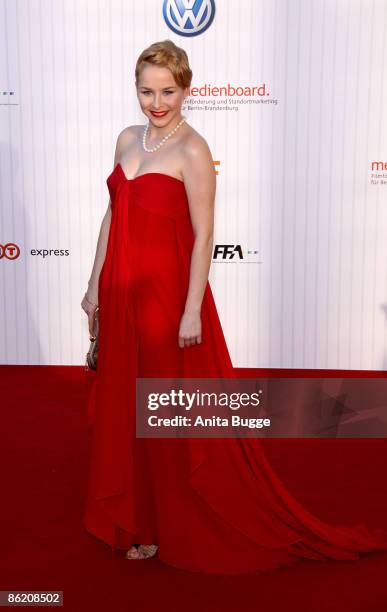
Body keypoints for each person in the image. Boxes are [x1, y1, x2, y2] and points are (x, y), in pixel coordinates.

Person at [82, 40, 387, 574]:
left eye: (168, 92)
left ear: (187, 89)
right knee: (126, 411)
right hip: (119, 292)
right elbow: (113, 217)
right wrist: (93, 285)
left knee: (164, 414)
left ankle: (166, 521)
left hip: (167, 299)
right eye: (147, 91)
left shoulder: (194, 150)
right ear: (136, 89)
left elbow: (204, 237)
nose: (157, 102)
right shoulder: (126, 139)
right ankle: (137, 515)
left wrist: (192, 309)